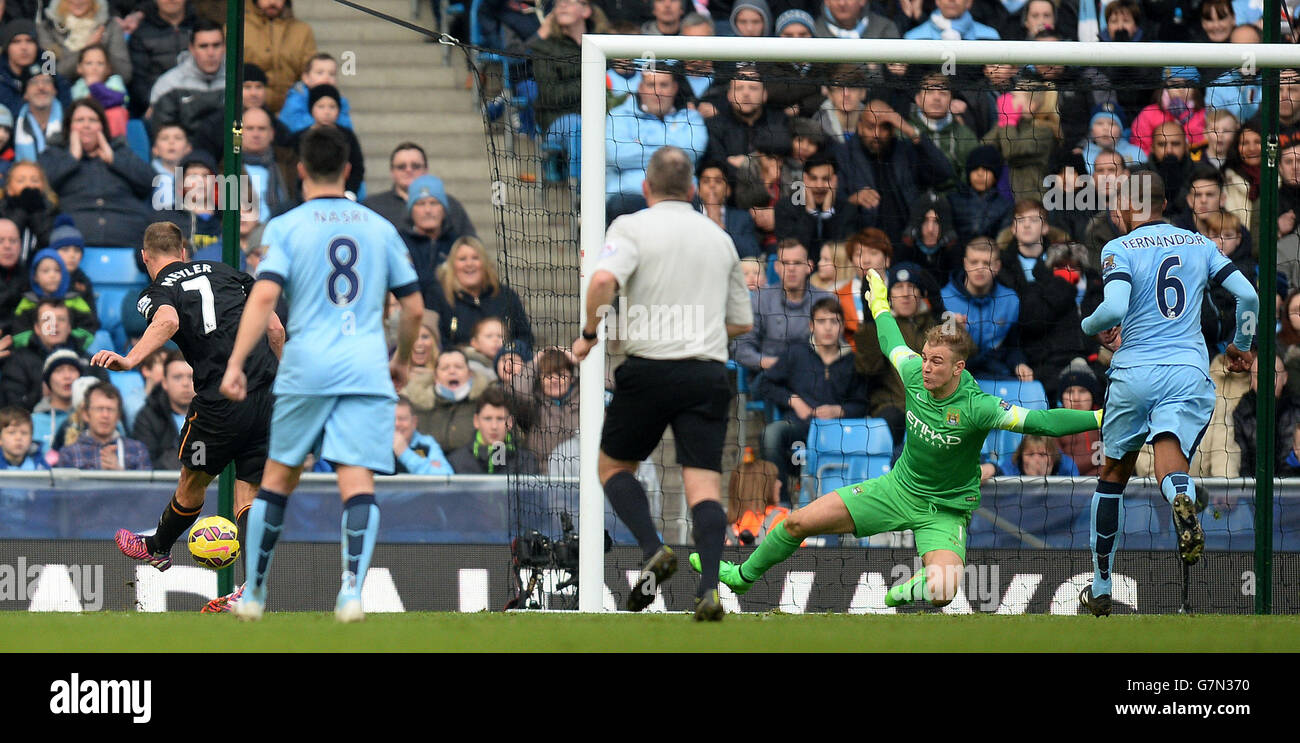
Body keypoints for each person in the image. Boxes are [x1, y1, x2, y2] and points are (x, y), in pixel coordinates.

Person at [689, 267, 1101, 607]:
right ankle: (742, 577)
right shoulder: (914, 374)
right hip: (896, 490)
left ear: (958, 369)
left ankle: (909, 590)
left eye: (937, 362)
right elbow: (891, 341)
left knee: (943, 591)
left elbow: (1044, 424)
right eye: (925, 358)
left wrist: (1100, 416)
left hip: (944, 509)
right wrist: (880, 304)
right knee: (797, 521)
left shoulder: (981, 406)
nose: (926, 367)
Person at [220, 125, 425, 623]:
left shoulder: (286, 226)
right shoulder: (380, 227)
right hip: (364, 366)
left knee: (277, 480)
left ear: (302, 171)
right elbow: (414, 307)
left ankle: (254, 595)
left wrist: (235, 362)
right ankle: (352, 593)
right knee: (357, 483)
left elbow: (265, 296)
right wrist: (399, 359)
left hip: (307, 364)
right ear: (349, 170)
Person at [572, 145, 752, 620]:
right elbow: (741, 323)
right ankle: (708, 591)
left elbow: (601, 281)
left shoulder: (631, 226)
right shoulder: (719, 238)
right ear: (693, 190)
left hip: (649, 368)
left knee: (613, 469)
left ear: (646, 188)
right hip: (707, 373)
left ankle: (653, 547)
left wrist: (590, 334)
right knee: (705, 490)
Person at [1078, 170, 1259, 617]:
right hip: (1187, 370)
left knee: (1113, 476)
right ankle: (1179, 492)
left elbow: (1115, 307)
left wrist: (1090, 328)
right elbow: (1248, 295)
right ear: (1163, 203)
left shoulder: (1117, 247)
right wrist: (1242, 345)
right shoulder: (1199, 244)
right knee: (1169, 452)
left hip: (1135, 370)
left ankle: (1101, 587)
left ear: (1127, 207)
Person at [97, 221, 285, 610]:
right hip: (266, 393)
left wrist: (130, 359)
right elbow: (276, 328)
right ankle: (253, 590)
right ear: (183, 251)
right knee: (249, 492)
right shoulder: (229, 273)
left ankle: (158, 547)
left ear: (145, 257)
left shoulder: (157, 289)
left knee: (193, 479)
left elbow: (167, 321)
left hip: (220, 400)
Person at [758, 297, 867, 501]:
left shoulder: (853, 361)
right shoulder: (796, 353)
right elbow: (765, 384)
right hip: (800, 431)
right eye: (821, 321)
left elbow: (862, 403)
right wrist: (793, 400)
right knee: (771, 435)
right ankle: (781, 505)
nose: (827, 328)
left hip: (840, 435)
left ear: (842, 326)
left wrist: (839, 411)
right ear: (811, 325)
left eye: (833, 321)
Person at [37, 97, 154, 247]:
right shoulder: (54, 153)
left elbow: (150, 181)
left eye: (93, 120)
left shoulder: (120, 152)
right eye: (79, 120)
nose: (86, 125)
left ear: (102, 127)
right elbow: (42, 184)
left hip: (128, 233)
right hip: (74, 241)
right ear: (69, 127)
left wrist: (114, 159)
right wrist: (71, 158)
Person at [732, 237, 834, 374]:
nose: (791, 268)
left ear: (809, 267)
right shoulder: (760, 299)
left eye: (797, 263)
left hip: (813, 375)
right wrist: (774, 364)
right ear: (777, 267)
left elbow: (836, 348)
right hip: (769, 377)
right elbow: (740, 348)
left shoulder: (826, 299)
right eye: (785, 263)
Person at [362, 142, 476, 238]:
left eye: (415, 166)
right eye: (401, 167)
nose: (408, 170)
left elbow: (469, 243)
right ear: (392, 171)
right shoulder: (373, 206)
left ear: (426, 169)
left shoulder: (449, 204)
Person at [56, 381, 151, 469]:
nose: (105, 415)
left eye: (110, 409)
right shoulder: (69, 454)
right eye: (99, 409)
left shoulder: (137, 450)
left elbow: (147, 486)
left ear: (118, 416)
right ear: (85, 414)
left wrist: (119, 473)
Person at [242, 0, 316, 114]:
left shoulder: (302, 31)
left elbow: (311, 75)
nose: (272, 2)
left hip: (291, 114)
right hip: (246, 114)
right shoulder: (238, 28)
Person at [446, 386, 540, 475]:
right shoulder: (456, 461)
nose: (494, 426)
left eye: (500, 419)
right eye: (487, 418)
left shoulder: (526, 461)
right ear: (476, 421)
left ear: (510, 422)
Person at [127, 0, 196, 118]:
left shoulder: (199, 29)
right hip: (157, 109)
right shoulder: (141, 34)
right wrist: (158, 104)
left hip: (197, 104)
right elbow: (139, 83)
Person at [128, 349, 192, 470]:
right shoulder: (147, 417)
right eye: (177, 377)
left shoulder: (213, 416)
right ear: (164, 383)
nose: (185, 383)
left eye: (191, 377)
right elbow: (146, 463)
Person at [278, 53, 353, 134]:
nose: (326, 77)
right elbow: (293, 125)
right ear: (306, 78)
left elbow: (346, 128)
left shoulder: (340, 101)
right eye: (320, 73)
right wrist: (321, 124)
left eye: (332, 74)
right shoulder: (296, 98)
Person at [725, 454, 787, 545]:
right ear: (762, 487)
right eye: (774, 480)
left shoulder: (719, 524)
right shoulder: (783, 520)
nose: (780, 483)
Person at [392, 395, 452, 475]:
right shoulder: (376, 445)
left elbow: (445, 476)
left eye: (402, 419)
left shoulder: (427, 444)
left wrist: (404, 453)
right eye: (391, 419)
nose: (397, 424)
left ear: (414, 422)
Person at [0, 405, 45, 469]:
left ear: (31, 438)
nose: (18, 438)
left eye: (24, 433)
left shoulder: (39, 464)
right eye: (11, 432)